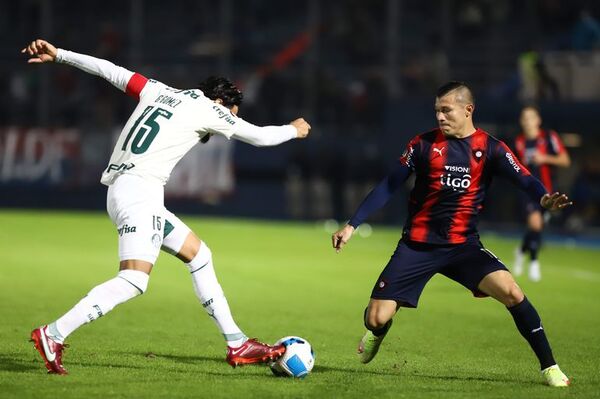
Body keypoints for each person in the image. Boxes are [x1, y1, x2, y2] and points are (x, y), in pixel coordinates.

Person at [23, 39, 311, 375]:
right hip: (139, 194)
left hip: (128, 190)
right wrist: (294, 130)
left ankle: (236, 342)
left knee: (199, 255)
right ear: (220, 102)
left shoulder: (158, 90)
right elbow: (261, 137)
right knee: (133, 280)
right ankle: (53, 333)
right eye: (229, 115)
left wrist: (61, 55)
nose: (224, 125)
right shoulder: (209, 108)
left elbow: (111, 71)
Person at [331, 81, 571, 387]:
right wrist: (352, 224)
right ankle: (378, 331)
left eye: (446, 110)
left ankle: (549, 367)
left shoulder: (491, 148)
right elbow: (389, 185)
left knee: (512, 292)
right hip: (417, 246)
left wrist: (543, 198)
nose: (440, 117)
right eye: (437, 111)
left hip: (463, 247)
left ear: (468, 109)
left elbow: (524, 177)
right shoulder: (422, 145)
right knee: (375, 317)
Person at [513, 106, 570, 281]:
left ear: (538, 120)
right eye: (525, 118)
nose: (528, 121)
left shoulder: (549, 137)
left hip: (548, 192)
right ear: (521, 122)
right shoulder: (519, 142)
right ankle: (534, 263)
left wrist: (545, 158)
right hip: (528, 192)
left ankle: (521, 251)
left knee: (535, 228)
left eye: (531, 117)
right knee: (536, 224)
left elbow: (565, 160)